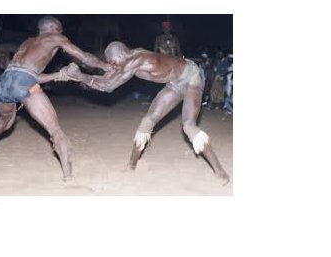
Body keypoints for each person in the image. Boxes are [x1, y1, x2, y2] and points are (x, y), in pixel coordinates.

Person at [0, 16, 110, 181]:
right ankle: (69, 178)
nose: (62, 33)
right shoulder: (55, 37)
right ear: (54, 28)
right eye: (60, 29)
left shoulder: (27, 42)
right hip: (22, 82)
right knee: (55, 131)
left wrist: (58, 74)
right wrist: (104, 66)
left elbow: (29, 74)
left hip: (4, 82)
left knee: (4, 123)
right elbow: (84, 57)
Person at [64, 41, 230, 185]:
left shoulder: (135, 61)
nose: (113, 66)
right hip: (175, 83)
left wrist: (79, 76)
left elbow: (108, 86)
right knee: (147, 122)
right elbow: (109, 74)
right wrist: (86, 72)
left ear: (120, 55)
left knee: (189, 126)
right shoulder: (129, 58)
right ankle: (131, 166)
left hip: (192, 76)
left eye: (113, 62)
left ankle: (221, 172)